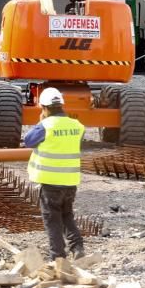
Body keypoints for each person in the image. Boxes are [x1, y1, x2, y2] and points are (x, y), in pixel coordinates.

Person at [24, 87, 85, 261]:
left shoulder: (45, 126)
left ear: (44, 107)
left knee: (52, 219)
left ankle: (57, 256)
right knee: (67, 215)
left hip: (50, 182)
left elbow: (28, 141)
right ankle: (77, 247)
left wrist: (40, 123)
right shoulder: (77, 126)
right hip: (70, 181)